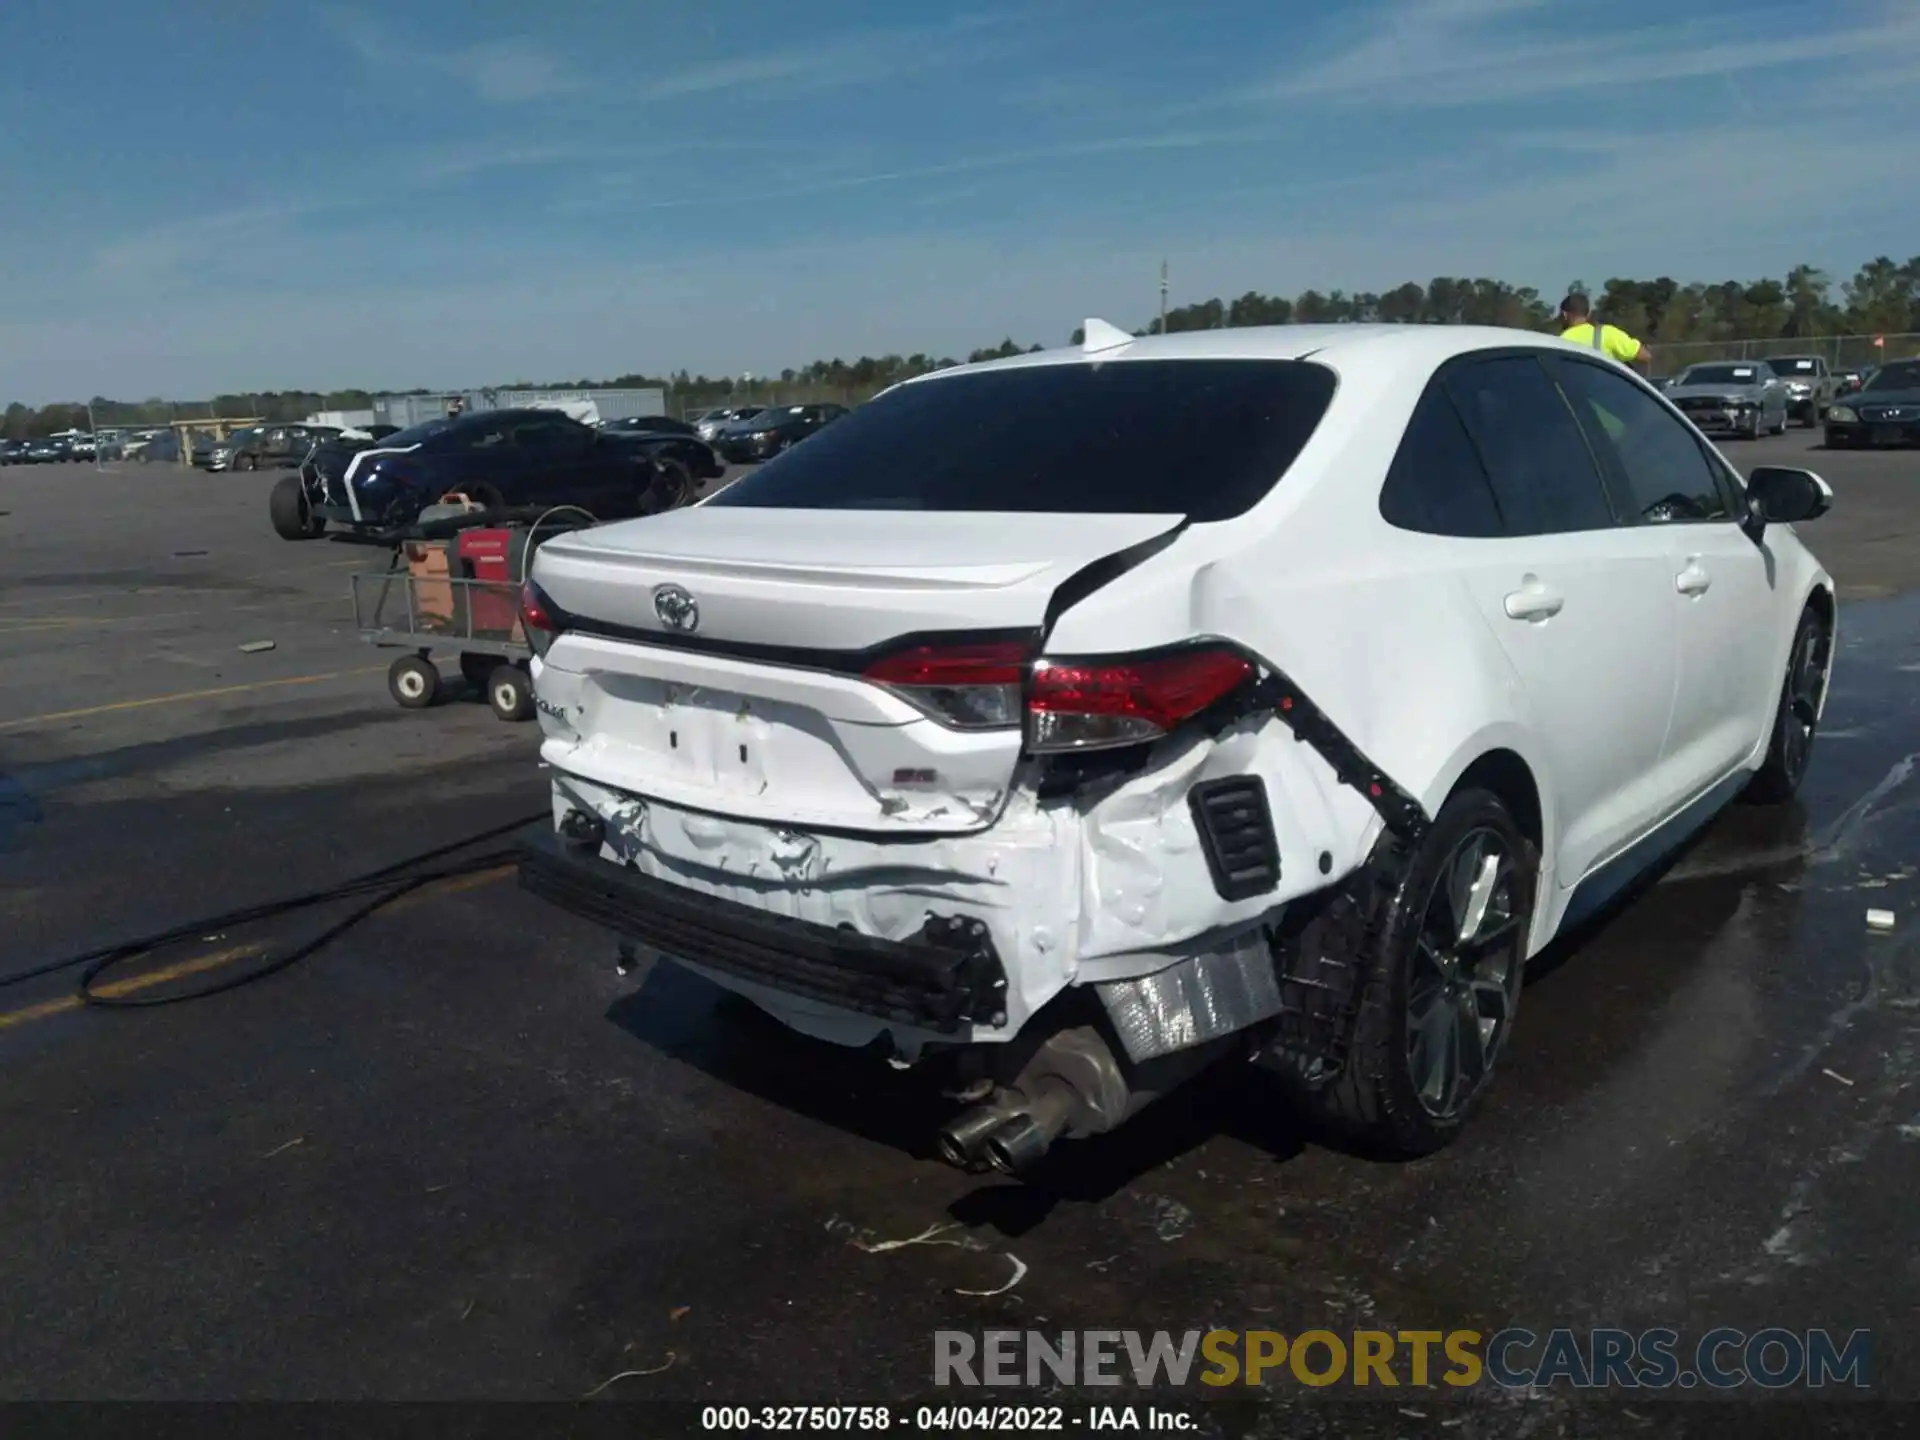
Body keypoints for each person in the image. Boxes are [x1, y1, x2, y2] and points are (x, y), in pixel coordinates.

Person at [1557, 293, 1652, 374]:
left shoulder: (1560, 342)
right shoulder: (1608, 333)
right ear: (1588, 313)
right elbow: (1644, 355)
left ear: (1565, 315)